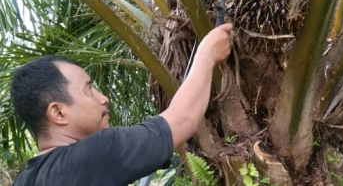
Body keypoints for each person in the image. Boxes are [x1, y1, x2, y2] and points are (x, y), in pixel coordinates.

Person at [10, 23, 233, 186]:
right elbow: (184, 118)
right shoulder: (93, 155)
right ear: (58, 112)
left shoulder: (24, 181)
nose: (103, 98)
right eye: (89, 89)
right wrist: (207, 55)